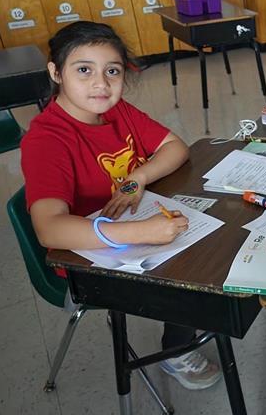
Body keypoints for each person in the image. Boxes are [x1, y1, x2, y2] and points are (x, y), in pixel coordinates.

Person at [21, 21, 221, 391]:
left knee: (209, 238)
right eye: (84, 70)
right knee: (190, 269)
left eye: (112, 71)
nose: (101, 83)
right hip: (87, 258)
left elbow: (175, 147)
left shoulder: (116, 112)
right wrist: (140, 232)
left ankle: (195, 314)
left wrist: (136, 179)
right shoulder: (46, 139)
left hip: (131, 224)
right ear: (55, 73)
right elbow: (49, 228)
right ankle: (176, 350)